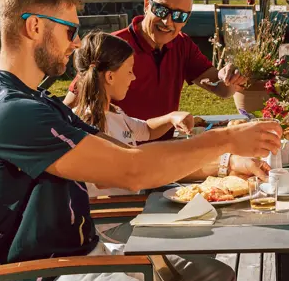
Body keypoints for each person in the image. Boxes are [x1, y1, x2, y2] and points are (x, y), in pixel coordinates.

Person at [0, 0, 283, 281]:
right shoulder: (11, 111)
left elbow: (125, 151)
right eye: (69, 30)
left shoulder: (33, 101)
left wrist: (223, 160)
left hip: (82, 259)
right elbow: (132, 171)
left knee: (212, 280)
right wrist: (224, 140)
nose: (76, 43)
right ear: (35, 26)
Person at [70, 30, 269, 198]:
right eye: (130, 70)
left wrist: (171, 117)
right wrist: (225, 159)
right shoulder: (90, 125)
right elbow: (139, 166)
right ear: (110, 76)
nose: (134, 77)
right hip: (117, 222)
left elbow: (146, 129)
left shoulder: (114, 113)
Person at [63, 0, 245, 132]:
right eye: (161, 10)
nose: (168, 21)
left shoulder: (182, 45)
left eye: (179, 16)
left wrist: (229, 77)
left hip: (161, 150)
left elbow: (221, 89)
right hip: (117, 151)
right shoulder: (113, 45)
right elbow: (69, 106)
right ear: (146, 5)